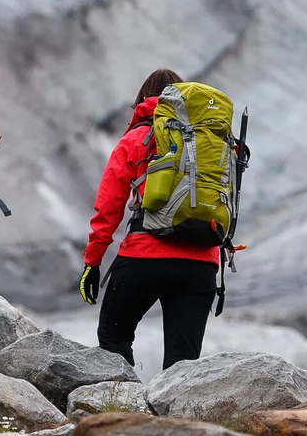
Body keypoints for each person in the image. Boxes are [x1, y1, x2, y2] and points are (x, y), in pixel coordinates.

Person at [78, 68, 220, 369]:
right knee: (183, 364)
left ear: (142, 100)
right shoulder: (208, 140)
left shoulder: (138, 137)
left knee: (113, 338)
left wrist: (92, 262)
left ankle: (125, 411)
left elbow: (108, 208)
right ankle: (178, 416)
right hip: (201, 263)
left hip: (145, 255)